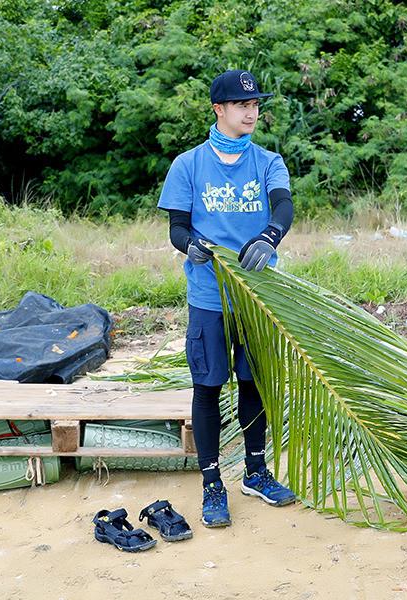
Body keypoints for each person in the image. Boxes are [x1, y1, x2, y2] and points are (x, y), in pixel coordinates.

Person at [158, 69, 297, 528]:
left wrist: (270, 237)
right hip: (209, 297)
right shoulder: (189, 165)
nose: (252, 112)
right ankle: (212, 482)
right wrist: (189, 245)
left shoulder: (268, 161)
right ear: (219, 109)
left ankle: (256, 472)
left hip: (258, 298)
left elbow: (283, 206)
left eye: (256, 104)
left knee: (255, 384)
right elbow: (177, 227)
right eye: (242, 105)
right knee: (209, 385)